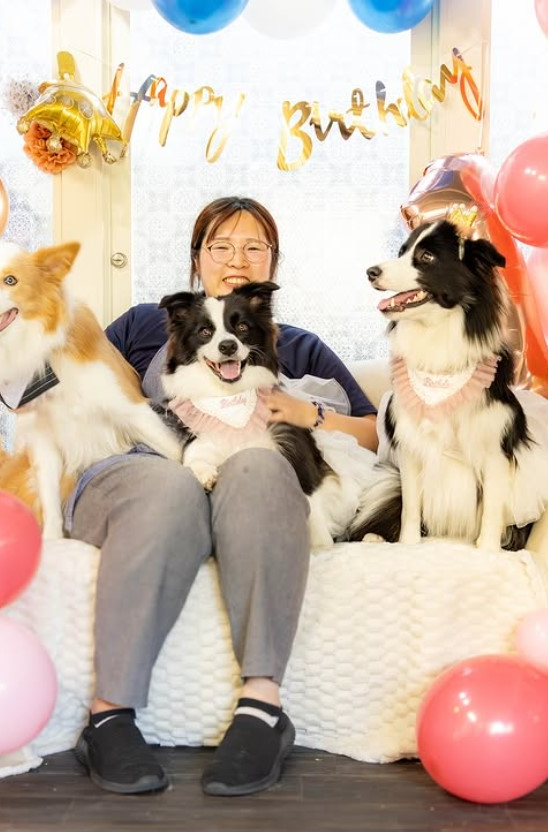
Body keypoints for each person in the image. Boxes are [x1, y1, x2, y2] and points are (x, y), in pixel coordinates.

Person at [68, 196, 379, 796]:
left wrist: (306, 412)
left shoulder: (301, 346)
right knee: (172, 483)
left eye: (254, 247)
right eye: (221, 246)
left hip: (247, 475)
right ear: (197, 259)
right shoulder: (142, 324)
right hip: (147, 470)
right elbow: (68, 379)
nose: (237, 259)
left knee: (261, 465)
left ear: (272, 263)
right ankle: (109, 716)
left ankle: (262, 709)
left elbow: (372, 430)